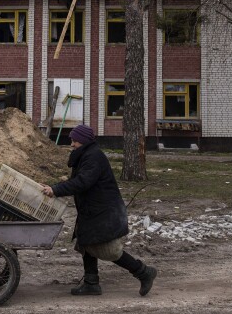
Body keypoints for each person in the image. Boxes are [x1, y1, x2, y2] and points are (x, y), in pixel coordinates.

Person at [42, 124, 157, 296]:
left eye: (74, 140)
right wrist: (56, 187)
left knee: (109, 250)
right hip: (93, 209)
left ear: (83, 141)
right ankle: (91, 283)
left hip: (104, 211)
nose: (72, 144)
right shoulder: (86, 155)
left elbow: (83, 182)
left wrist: (56, 190)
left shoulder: (93, 157)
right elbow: (81, 181)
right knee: (86, 242)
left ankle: (144, 272)